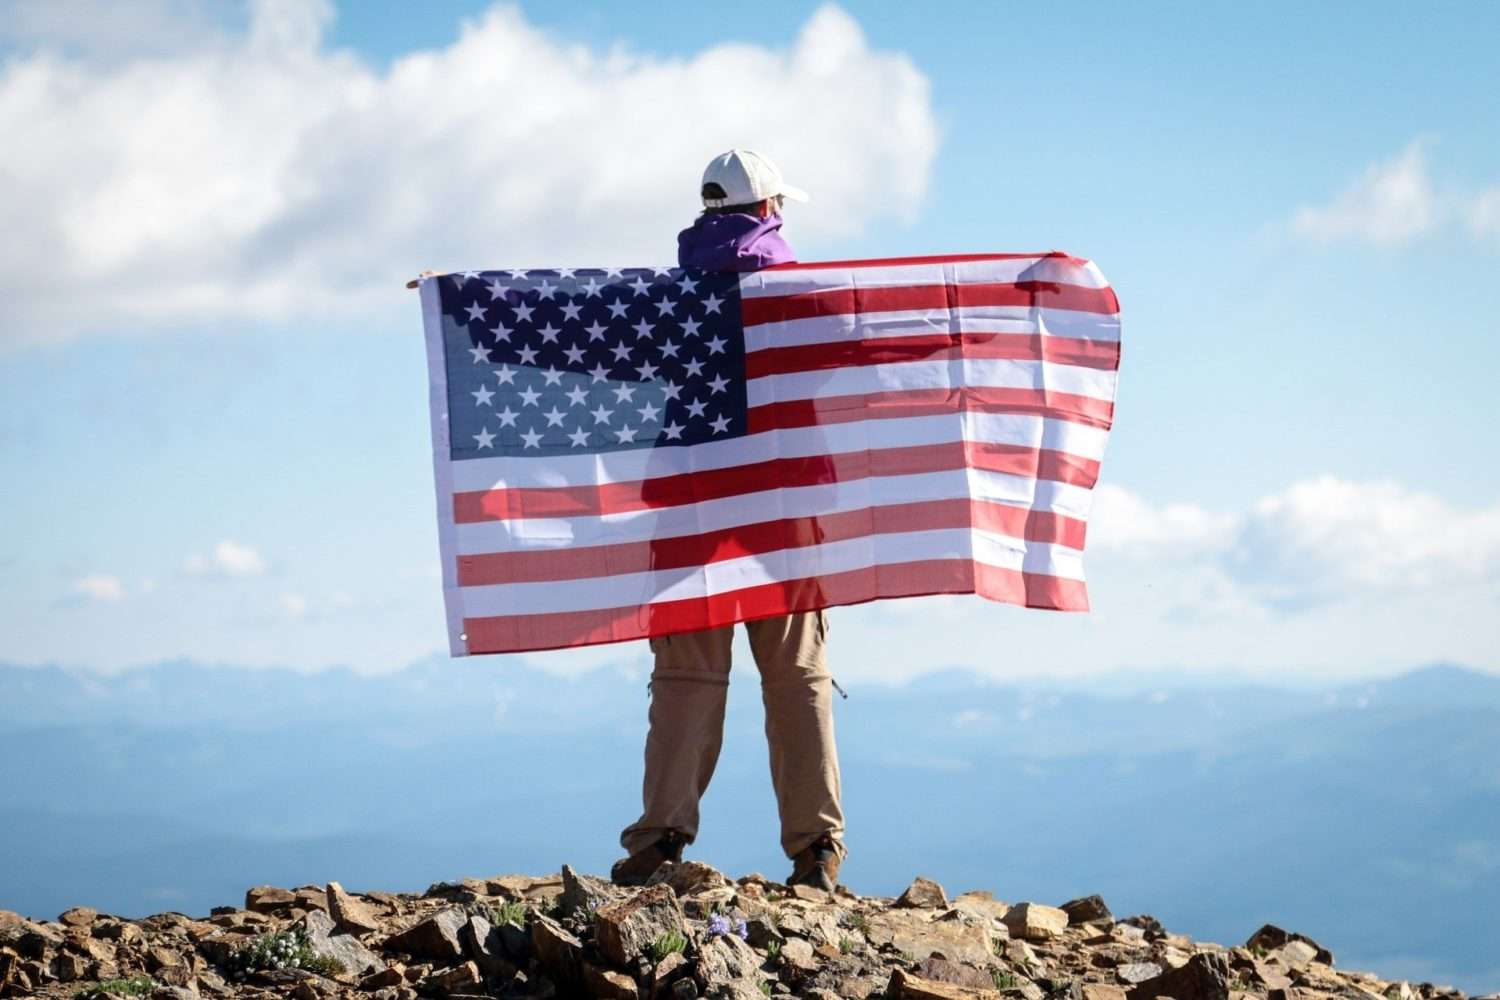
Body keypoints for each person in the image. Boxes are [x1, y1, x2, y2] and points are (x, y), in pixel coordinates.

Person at [611, 149, 848, 891]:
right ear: (772, 210)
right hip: (781, 504)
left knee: (685, 674)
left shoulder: (668, 298)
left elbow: (592, 345)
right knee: (796, 675)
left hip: (692, 498)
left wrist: (462, 303)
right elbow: (874, 343)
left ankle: (660, 838)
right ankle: (816, 851)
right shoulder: (804, 295)